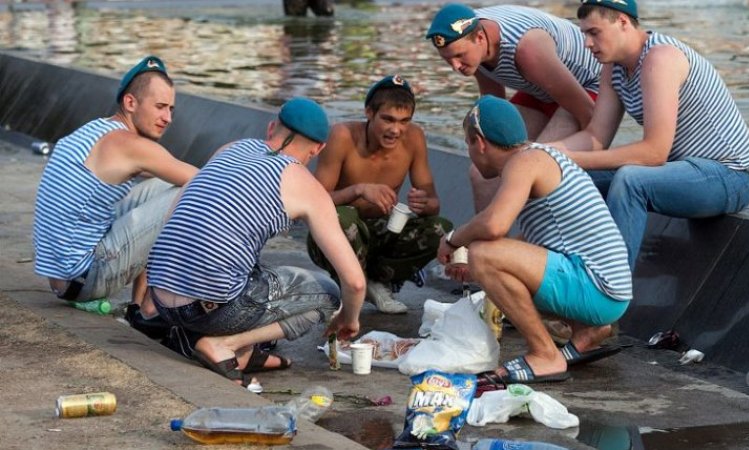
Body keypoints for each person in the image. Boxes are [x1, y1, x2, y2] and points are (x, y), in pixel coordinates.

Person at [147, 97, 366, 384]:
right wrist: (348, 319)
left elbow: (176, 216)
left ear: (272, 127)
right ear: (318, 148)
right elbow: (355, 282)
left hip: (160, 299)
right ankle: (225, 346)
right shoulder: (306, 185)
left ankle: (246, 352)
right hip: (209, 311)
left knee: (251, 264)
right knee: (327, 293)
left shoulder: (230, 149)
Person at [549, 0, 749, 269]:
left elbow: (654, 153)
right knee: (563, 176)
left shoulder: (660, 59)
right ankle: (555, 270)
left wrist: (570, 157)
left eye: (594, 32)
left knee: (631, 181)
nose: (587, 44)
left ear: (623, 23)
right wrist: (543, 152)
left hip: (731, 176)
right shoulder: (613, 68)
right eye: (584, 34)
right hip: (686, 170)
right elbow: (595, 136)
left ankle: (608, 289)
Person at [438, 96, 632, 386]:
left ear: (479, 141)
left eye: (468, 144)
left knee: (481, 253)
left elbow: (493, 224)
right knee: (486, 265)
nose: (470, 153)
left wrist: (453, 240)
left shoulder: (524, 163)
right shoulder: (537, 156)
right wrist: (479, 271)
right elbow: (534, 238)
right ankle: (587, 331)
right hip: (608, 290)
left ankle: (544, 355)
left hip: (598, 288)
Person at [32, 56, 197, 315]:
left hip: (64, 278)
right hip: (85, 278)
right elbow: (207, 181)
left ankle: (139, 304)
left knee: (161, 187)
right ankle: (154, 308)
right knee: (186, 193)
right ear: (130, 103)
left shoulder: (96, 130)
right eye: (160, 107)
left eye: (171, 109)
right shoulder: (131, 145)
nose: (168, 118)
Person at [426, 3, 602, 212]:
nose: (456, 67)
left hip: (586, 86)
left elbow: (590, 116)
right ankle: (486, 242)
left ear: (480, 38)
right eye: (448, 60)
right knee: (481, 174)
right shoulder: (470, 40)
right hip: (540, 85)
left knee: (534, 166)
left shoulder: (527, 50)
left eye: (459, 56)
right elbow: (493, 106)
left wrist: (583, 166)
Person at [306, 75, 452, 314]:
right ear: (369, 112)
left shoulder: (414, 138)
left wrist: (422, 204)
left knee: (441, 229)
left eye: (404, 121)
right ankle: (352, 282)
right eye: (388, 119)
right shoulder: (342, 136)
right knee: (344, 218)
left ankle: (379, 281)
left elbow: (433, 205)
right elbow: (312, 202)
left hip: (385, 232)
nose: (396, 130)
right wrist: (358, 190)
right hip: (335, 237)